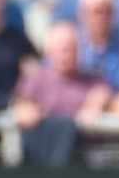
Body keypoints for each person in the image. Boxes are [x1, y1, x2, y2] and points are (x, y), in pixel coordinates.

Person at [12, 22, 110, 165]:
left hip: (83, 159)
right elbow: (21, 107)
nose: (67, 55)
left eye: (71, 49)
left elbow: (106, 97)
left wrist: (99, 102)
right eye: (62, 50)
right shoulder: (35, 80)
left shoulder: (94, 81)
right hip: (43, 158)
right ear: (49, 52)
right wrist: (25, 109)